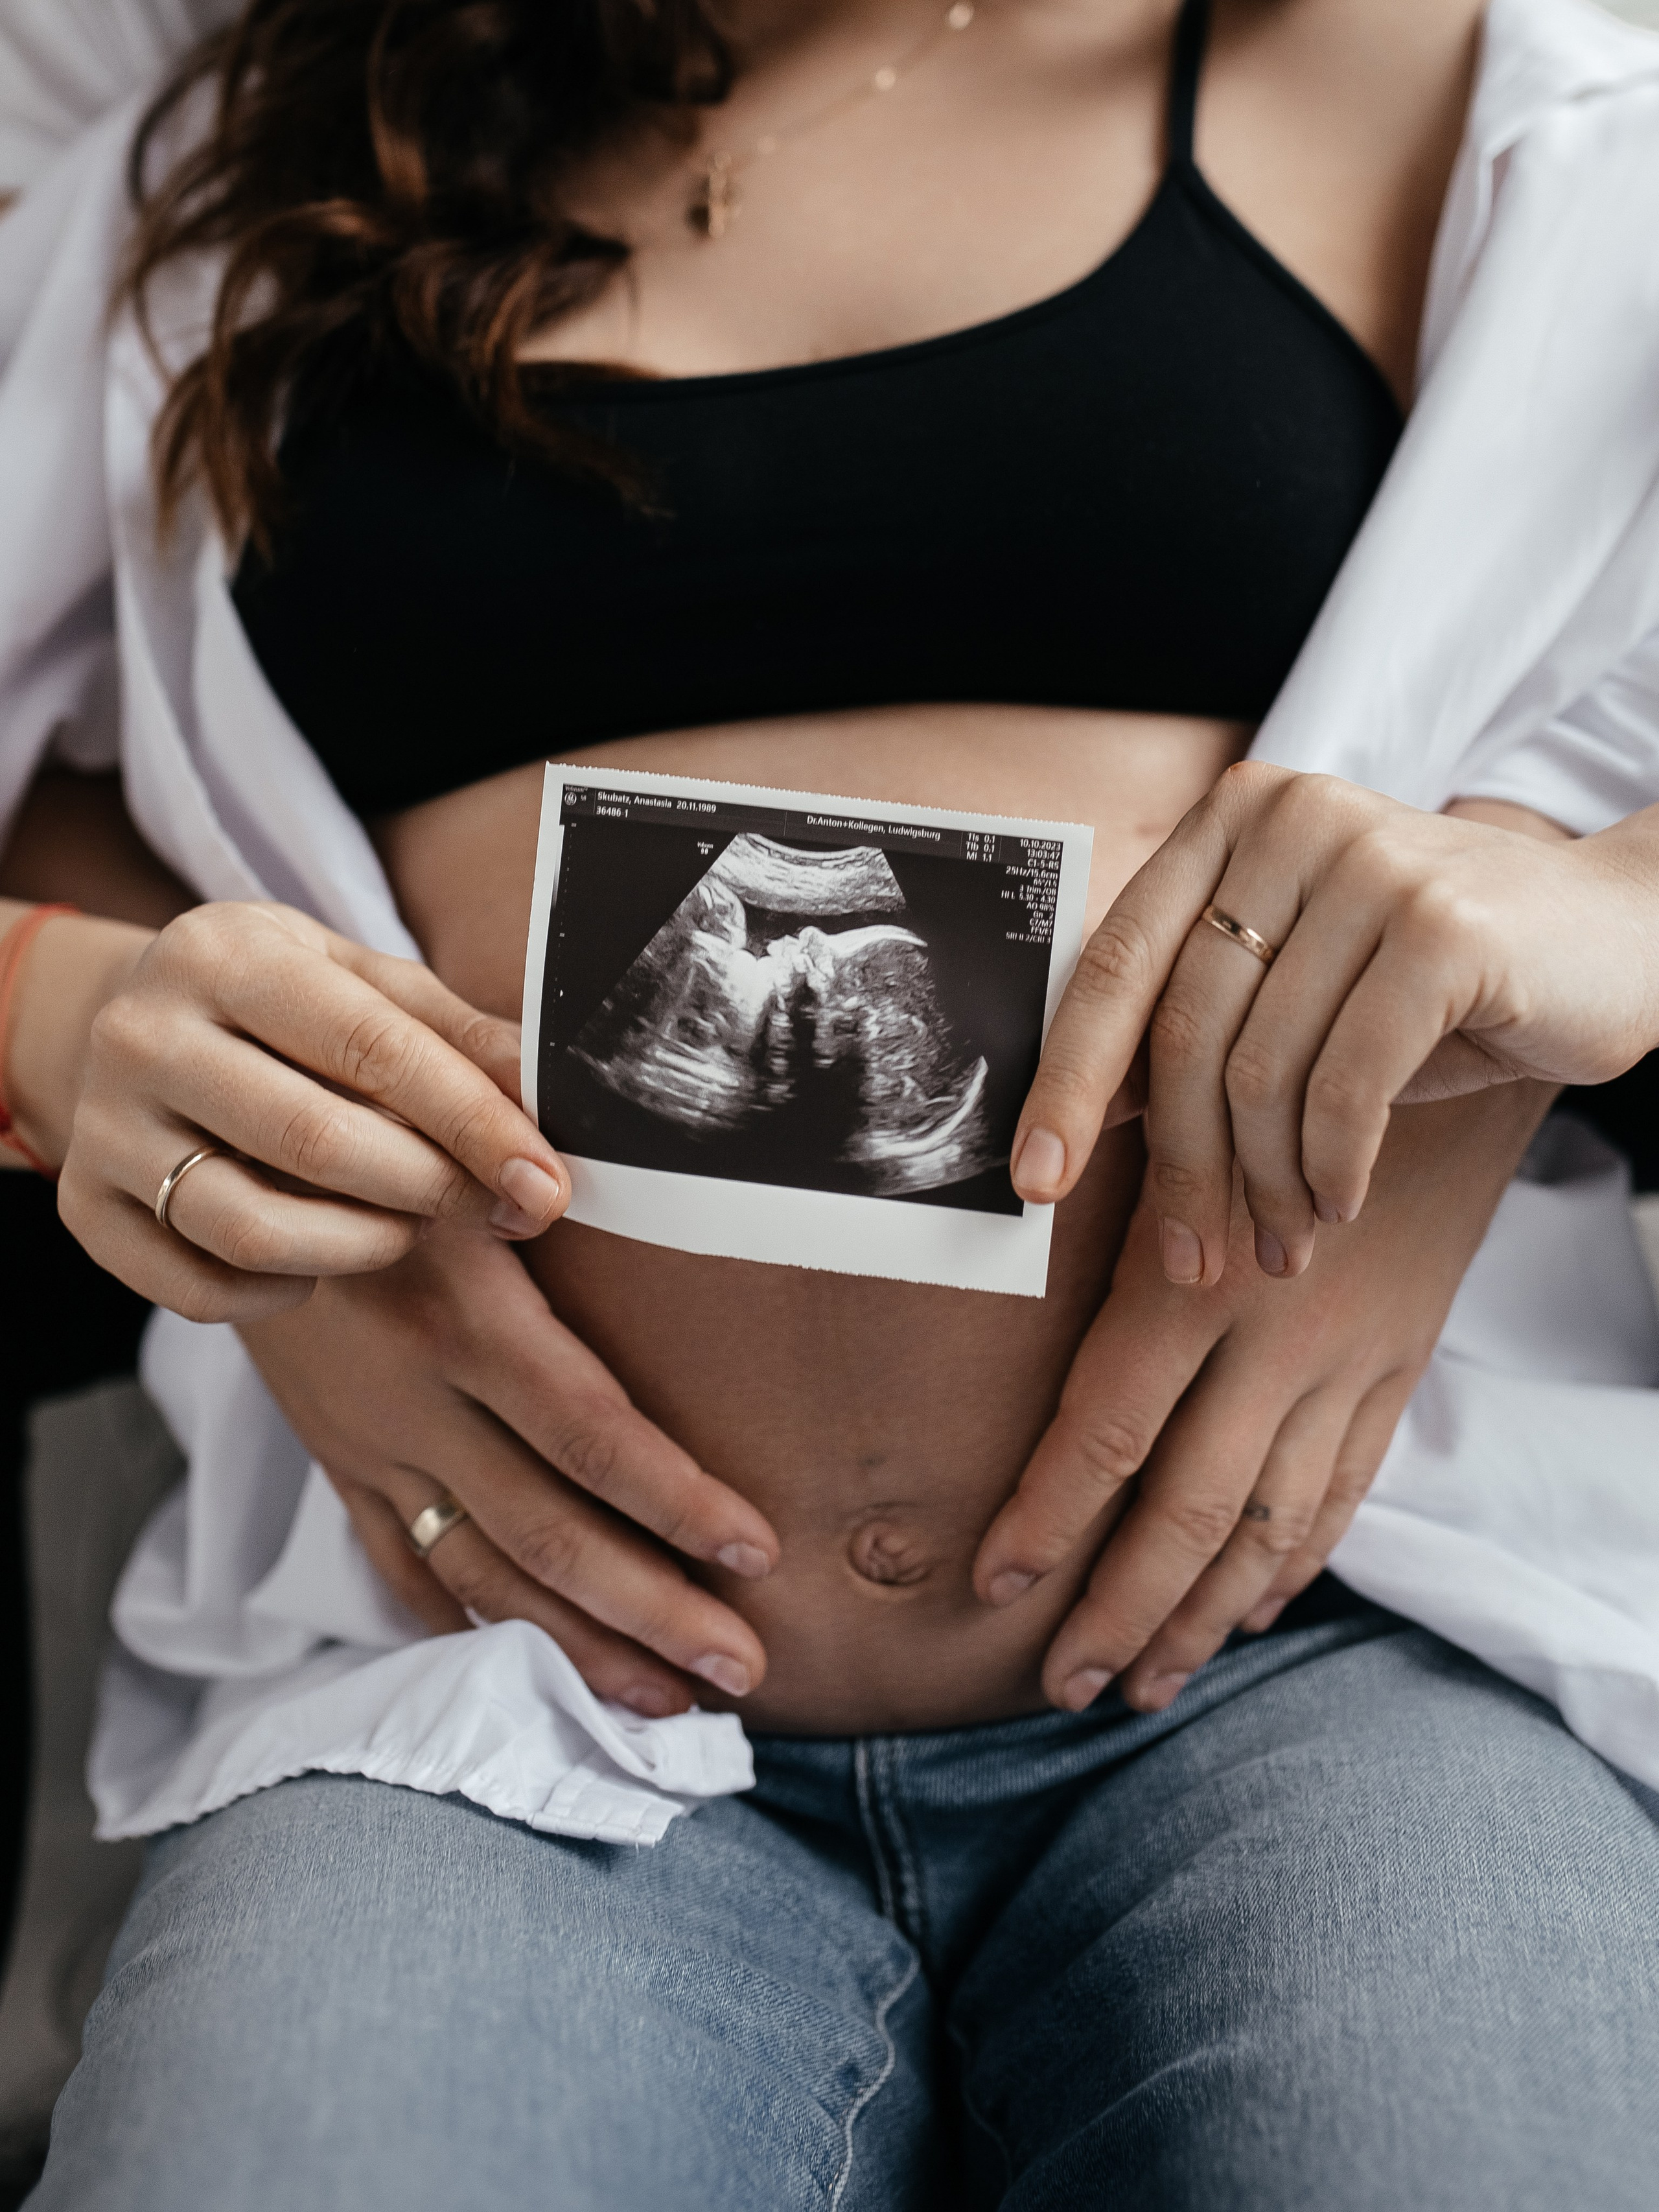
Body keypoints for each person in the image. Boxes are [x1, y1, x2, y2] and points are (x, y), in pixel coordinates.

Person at [3, 0, 1659, 2203]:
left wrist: (1608, 920)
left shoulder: (1472, 88)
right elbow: (71, 801)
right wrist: (56, 1017)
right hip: (505, 1710)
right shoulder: (231, 173)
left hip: (1339, 1639)